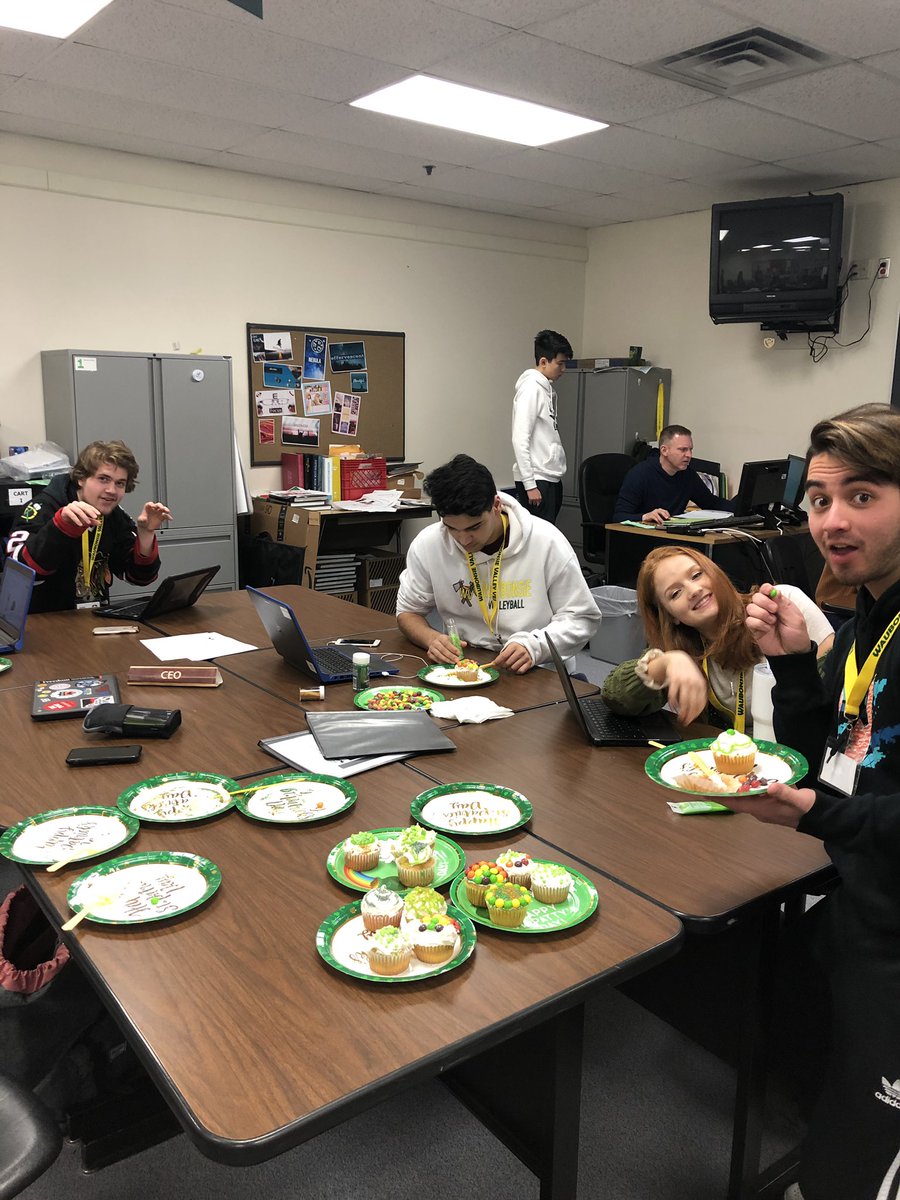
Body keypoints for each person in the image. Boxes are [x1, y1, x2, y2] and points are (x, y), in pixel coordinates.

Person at [720, 403, 900, 1200]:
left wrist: (814, 814)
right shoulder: (867, 622)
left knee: (859, 1162)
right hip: (862, 898)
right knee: (802, 1052)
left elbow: (828, 798)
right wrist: (793, 666)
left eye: (862, 496)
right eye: (820, 500)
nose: (832, 521)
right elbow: (827, 758)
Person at [396, 453, 600, 673]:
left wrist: (535, 646)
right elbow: (408, 612)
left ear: (496, 505)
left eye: (474, 527)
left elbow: (582, 618)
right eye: (452, 528)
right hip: (467, 666)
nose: (464, 540)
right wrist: (432, 639)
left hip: (537, 668)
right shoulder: (429, 544)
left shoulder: (547, 541)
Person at [601, 546, 832, 728]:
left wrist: (796, 659)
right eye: (676, 593)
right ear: (671, 616)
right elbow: (615, 698)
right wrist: (664, 663)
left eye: (696, 575)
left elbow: (836, 693)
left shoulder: (780, 604)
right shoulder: (684, 648)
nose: (694, 590)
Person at [6, 440, 170, 613]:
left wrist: (145, 533)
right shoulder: (42, 507)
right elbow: (19, 571)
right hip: (42, 618)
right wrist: (62, 526)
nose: (111, 490)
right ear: (81, 478)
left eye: (120, 483)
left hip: (92, 618)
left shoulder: (115, 516)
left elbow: (139, 577)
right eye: (103, 479)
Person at [612, 424, 734, 524]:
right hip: (642, 538)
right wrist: (645, 516)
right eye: (682, 449)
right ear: (664, 450)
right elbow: (619, 517)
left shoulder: (687, 474)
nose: (689, 455)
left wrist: (741, 507)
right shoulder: (640, 474)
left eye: (690, 449)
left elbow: (711, 503)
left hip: (673, 536)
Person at [511, 328, 573, 524]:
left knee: (550, 533)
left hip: (551, 477)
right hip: (537, 479)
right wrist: (530, 484)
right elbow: (520, 438)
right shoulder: (531, 389)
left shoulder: (547, 390)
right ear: (544, 361)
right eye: (560, 363)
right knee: (537, 536)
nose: (563, 369)